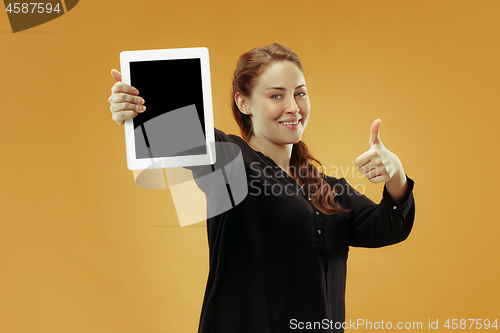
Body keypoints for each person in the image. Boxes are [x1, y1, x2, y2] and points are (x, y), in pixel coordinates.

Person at [108, 43, 415, 333]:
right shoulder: (230, 160)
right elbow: (170, 126)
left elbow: (386, 227)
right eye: (276, 96)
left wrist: (395, 173)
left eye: (300, 93)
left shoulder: (327, 188)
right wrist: (133, 107)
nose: (294, 107)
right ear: (244, 103)